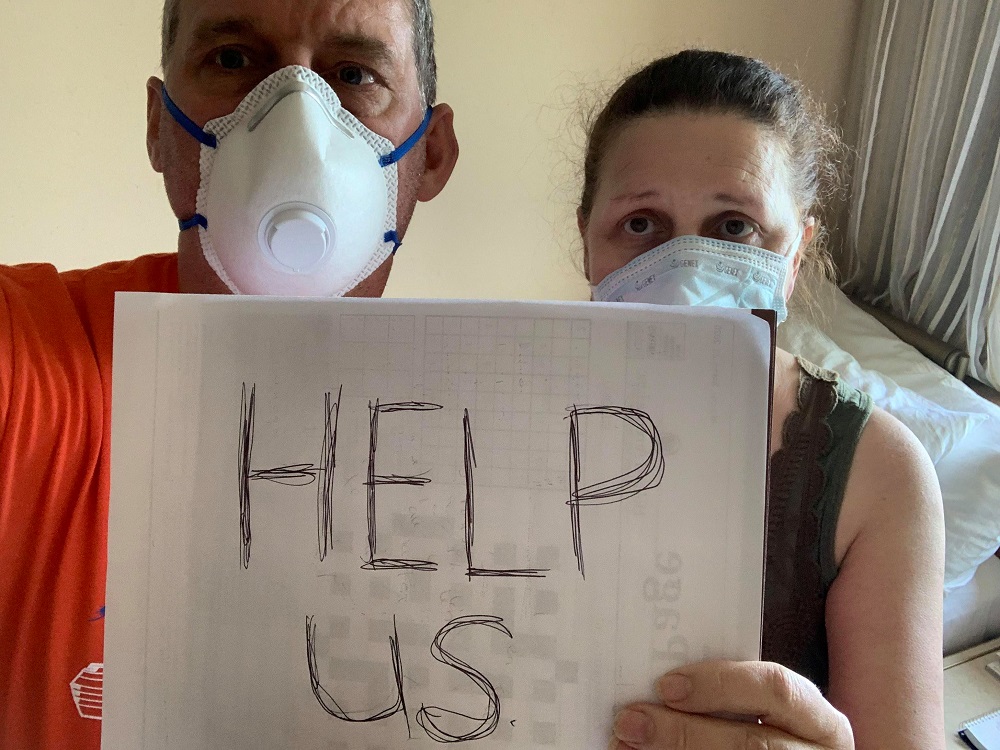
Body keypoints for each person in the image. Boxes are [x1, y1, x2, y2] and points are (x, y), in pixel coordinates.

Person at [0, 1, 458, 747]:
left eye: (352, 74)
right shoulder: (38, 356)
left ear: (430, 153)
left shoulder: (512, 436)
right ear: (158, 127)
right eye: (235, 61)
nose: (294, 117)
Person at [578, 51, 945, 750]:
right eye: (641, 224)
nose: (684, 273)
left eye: (734, 227)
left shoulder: (880, 478)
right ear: (586, 238)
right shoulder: (495, 407)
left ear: (795, 255)